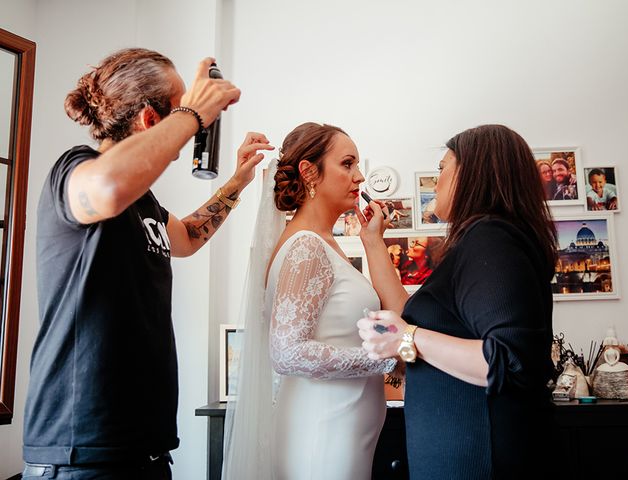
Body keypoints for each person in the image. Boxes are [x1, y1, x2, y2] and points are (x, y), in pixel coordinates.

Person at [22, 48, 273, 480]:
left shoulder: (143, 201)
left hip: (144, 449)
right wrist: (194, 113)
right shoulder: (76, 170)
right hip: (82, 452)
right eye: (179, 109)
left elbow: (189, 237)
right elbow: (106, 186)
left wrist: (237, 181)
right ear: (150, 120)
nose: (194, 128)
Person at [355, 124, 557, 479]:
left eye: (442, 168)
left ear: (471, 173)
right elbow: (410, 315)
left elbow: (510, 361)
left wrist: (408, 339)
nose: (437, 180)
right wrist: (373, 242)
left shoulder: (491, 240)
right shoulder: (479, 241)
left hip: (479, 459)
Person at [222, 122, 396, 480]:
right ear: (309, 172)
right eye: (347, 164)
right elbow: (287, 352)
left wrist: (373, 241)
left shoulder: (322, 244)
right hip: (325, 433)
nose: (360, 176)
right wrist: (384, 360)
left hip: (342, 428)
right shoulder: (306, 248)